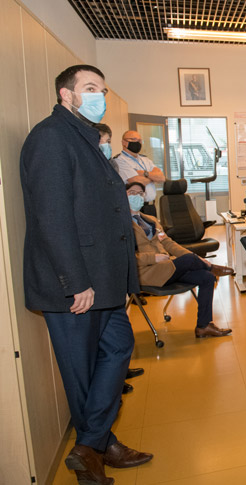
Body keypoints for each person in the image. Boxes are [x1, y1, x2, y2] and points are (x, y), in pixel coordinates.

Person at [20, 64, 153, 485]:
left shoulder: (84, 137)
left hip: (104, 279)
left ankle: (90, 444)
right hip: (76, 284)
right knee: (81, 373)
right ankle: (95, 454)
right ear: (67, 94)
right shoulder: (51, 138)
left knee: (118, 347)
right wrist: (75, 282)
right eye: (90, 88)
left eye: (102, 89)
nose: (99, 96)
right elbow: (52, 218)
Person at [126, 181, 234, 338]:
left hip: (166, 269)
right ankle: (212, 268)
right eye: (132, 193)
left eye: (140, 193)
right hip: (146, 273)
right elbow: (125, 256)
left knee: (207, 278)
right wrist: (153, 258)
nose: (137, 196)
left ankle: (204, 327)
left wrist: (197, 258)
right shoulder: (121, 224)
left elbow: (168, 243)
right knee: (190, 260)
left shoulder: (151, 220)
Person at [95, 122, 143, 392]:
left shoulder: (110, 167)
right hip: (101, 263)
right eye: (103, 141)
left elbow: (152, 177)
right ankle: (115, 380)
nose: (106, 146)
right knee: (106, 333)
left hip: (116, 258)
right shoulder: (97, 171)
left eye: (107, 140)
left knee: (119, 334)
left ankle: (119, 372)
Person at [113, 130, 165, 217]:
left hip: (150, 207)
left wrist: (144, 173)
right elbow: (137, 182)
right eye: (133, 139)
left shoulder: (145, 159)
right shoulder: (119, 160)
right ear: (124, 142)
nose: (137, 143)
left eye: (139, 140)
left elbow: (161, 177)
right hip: (134, 207)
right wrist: (152, 178)